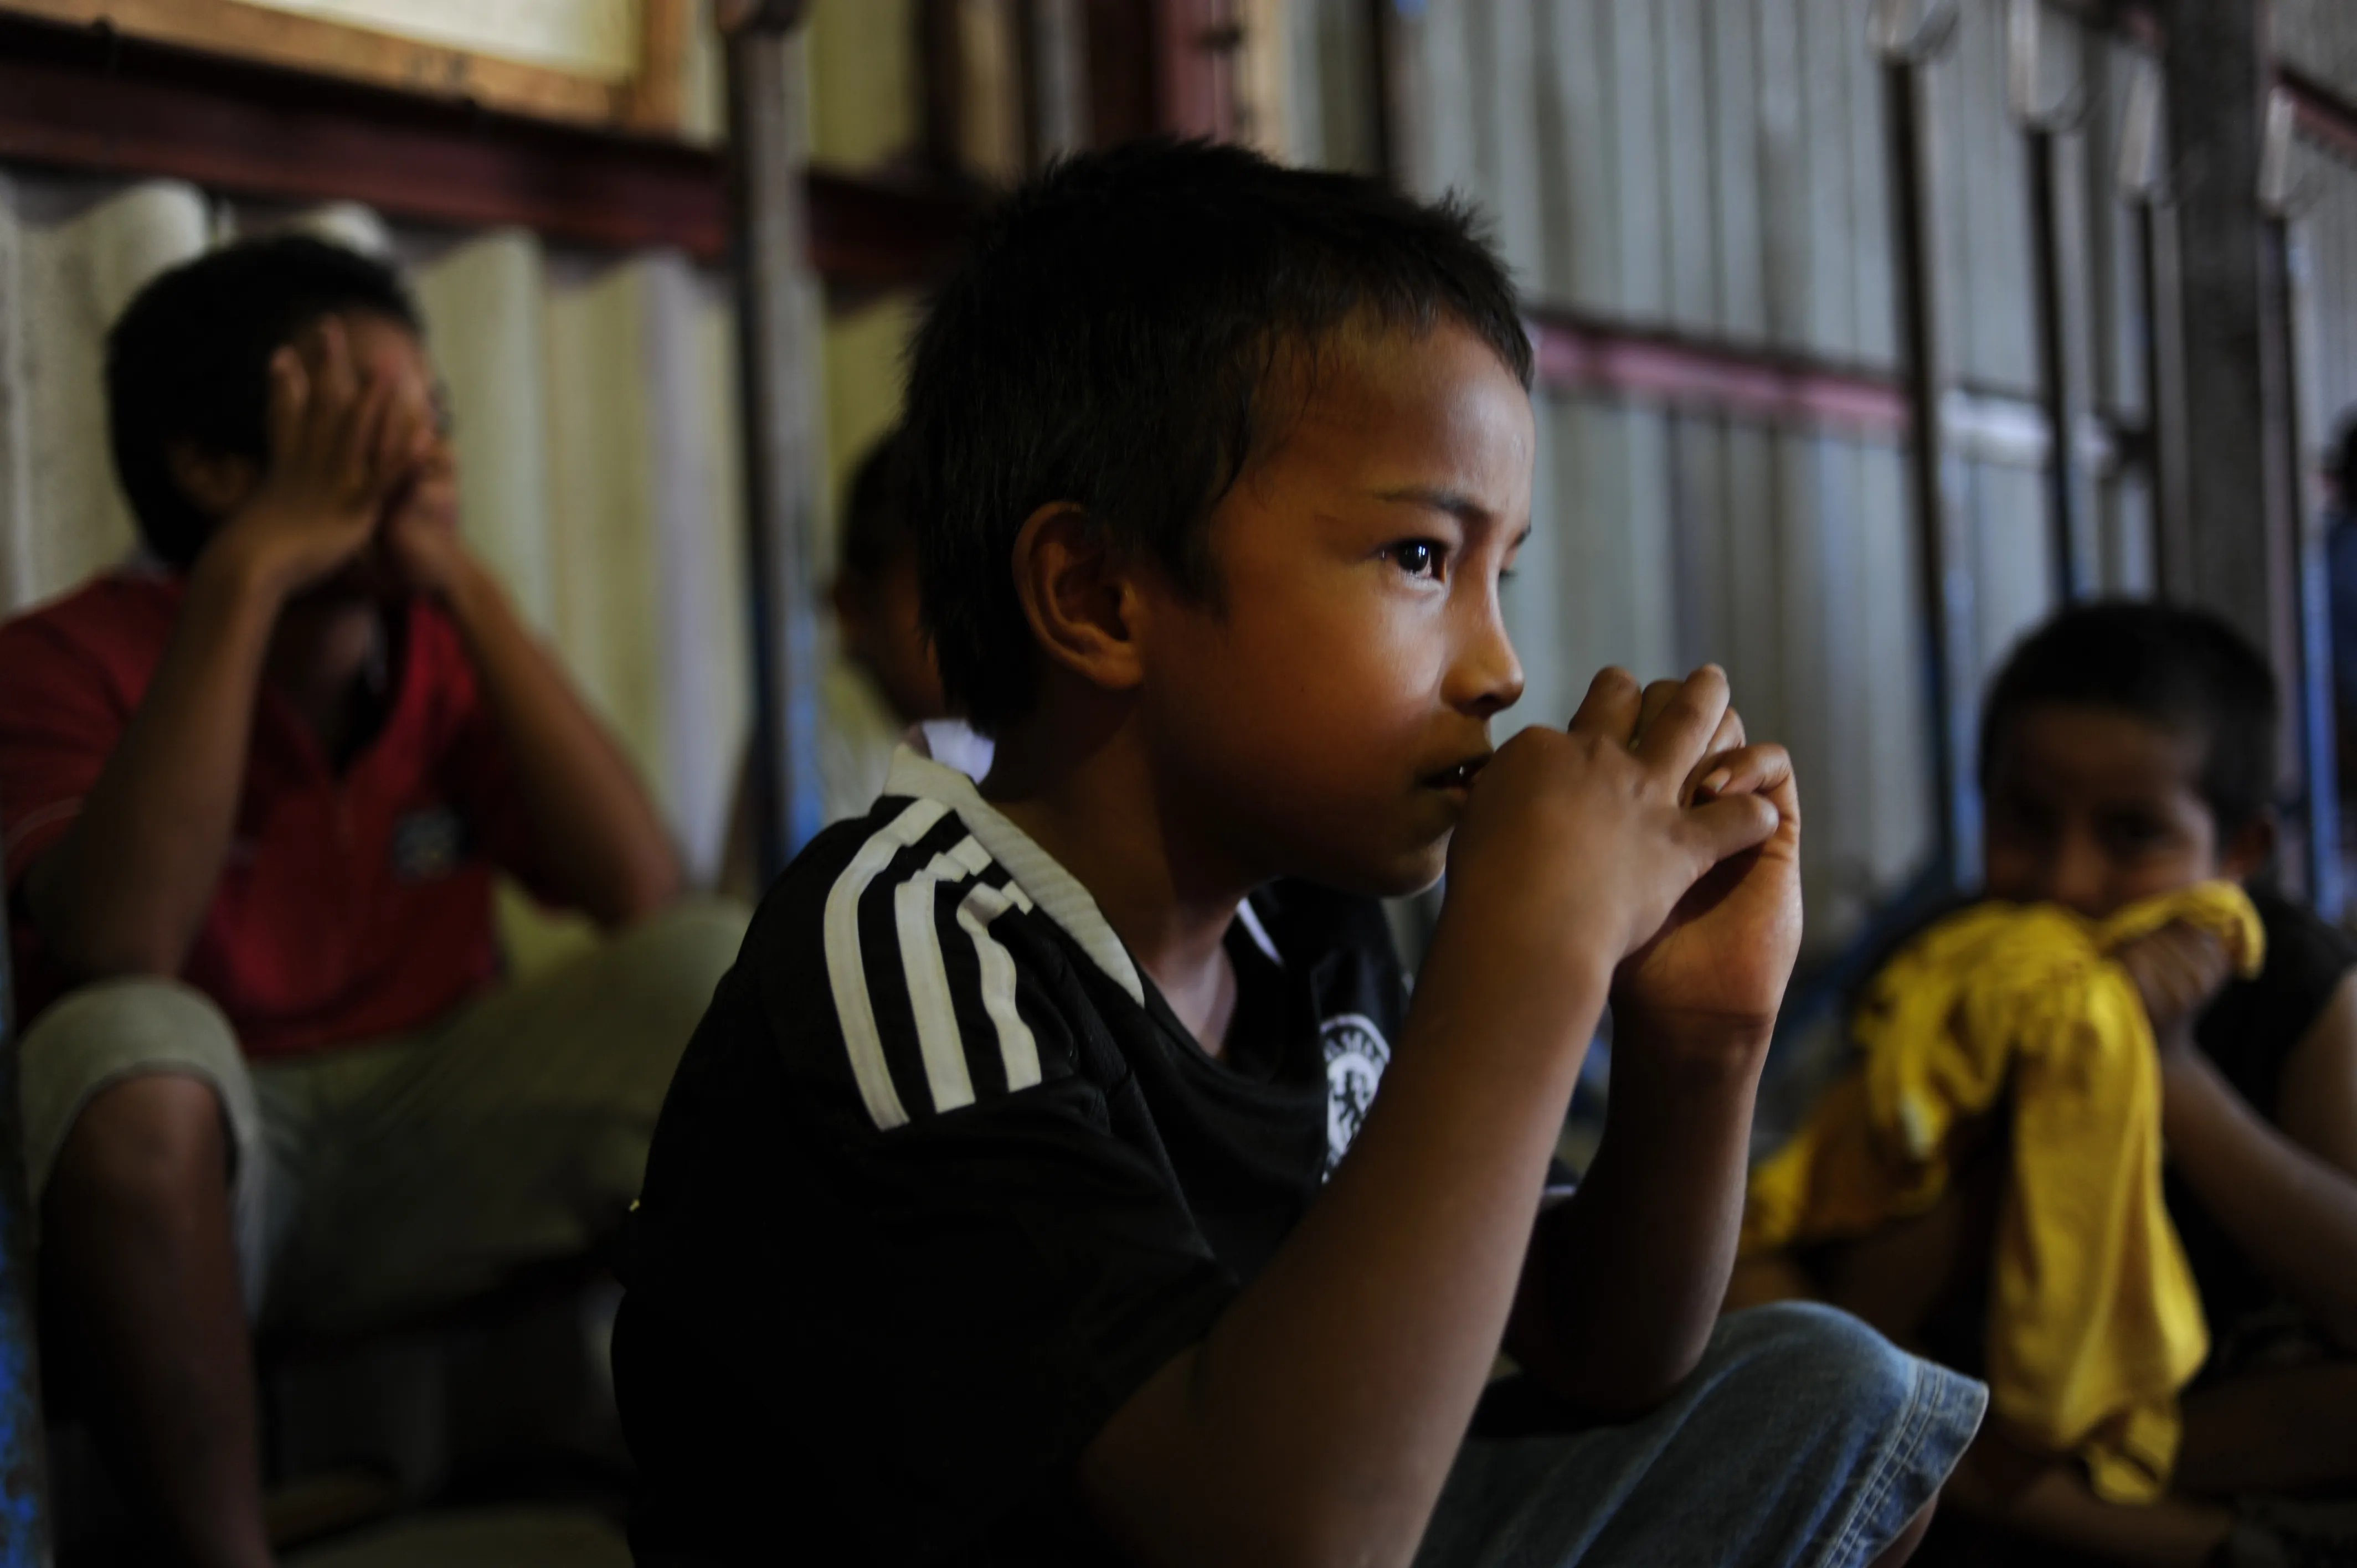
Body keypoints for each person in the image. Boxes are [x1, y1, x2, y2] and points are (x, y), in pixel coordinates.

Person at [613, 139, 1981, 1567]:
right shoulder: (908, 954)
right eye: (1417, 560)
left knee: (1832, 1408)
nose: (1501, 668)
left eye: (1497, 571)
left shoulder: (1307, 924)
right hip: (1257, 1519)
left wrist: (1701, 1043)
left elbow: (1596, 1341)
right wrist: (1530, 955)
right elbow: (1280, 1537)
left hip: (1312, 1490)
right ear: (1099, 597)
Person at [0, 234, 744, 1567]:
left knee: (716, 967)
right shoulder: (62, 661)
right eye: (366, 426)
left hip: (422, 1141)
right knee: (122, 1048)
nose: (418, 458)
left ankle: (758, 1501)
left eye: (430, 421)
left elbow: (641, 887)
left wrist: (464, 581)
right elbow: (117, 945)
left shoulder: (432, 656)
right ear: (212, 466)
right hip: (212, 1177)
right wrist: (250, 572)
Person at [1736, 601, 2357, 1567]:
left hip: (2210, 1420)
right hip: (1993, 1434)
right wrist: (2003, 1090)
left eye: (2134, 835)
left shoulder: (2294, 985)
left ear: (2237, 858)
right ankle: (2193, 1548)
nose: (2068, 882)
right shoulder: (1940, 981)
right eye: (2026, 823)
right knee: (1837, 1383)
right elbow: (1869, 1325)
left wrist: (2171, 1069)